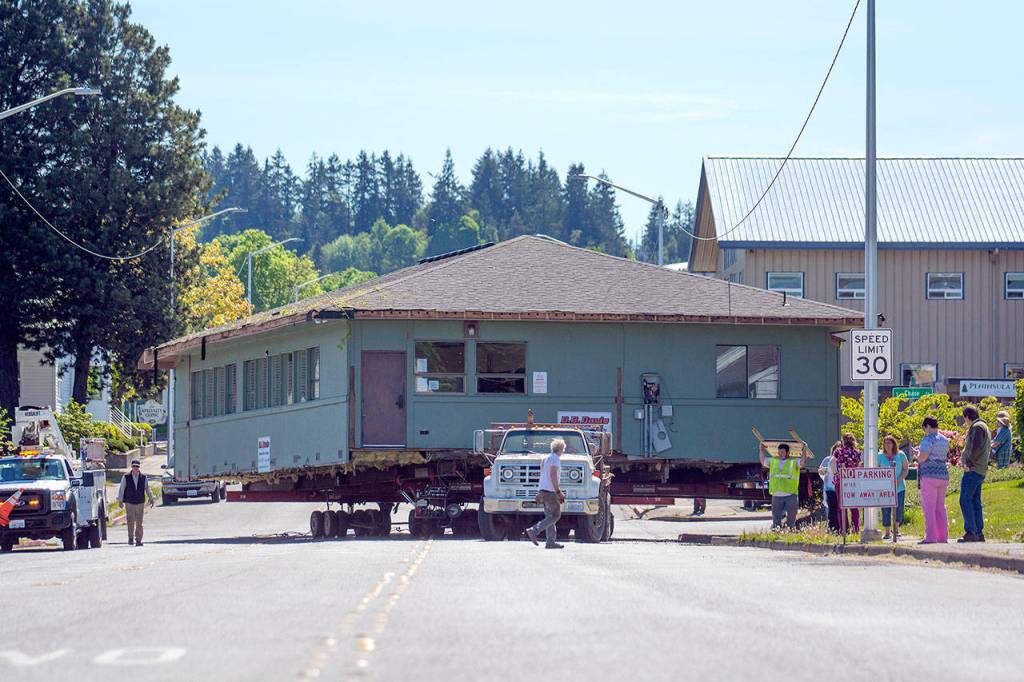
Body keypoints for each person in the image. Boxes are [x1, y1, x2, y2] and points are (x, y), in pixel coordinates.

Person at [759, 439, 813, 530]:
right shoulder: (773, 461)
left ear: (788, 453)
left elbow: (802, 463)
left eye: (782, 452)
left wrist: (804, 449)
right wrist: (761, 450)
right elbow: (763, 461)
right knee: (776, 516)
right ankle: (777, 530)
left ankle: (790, 530)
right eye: (779, 452)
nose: (780, 454)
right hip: (776, 494)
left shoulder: (793, 461)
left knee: (792, 515)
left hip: (790, 494)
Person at [915, 416, 950, 543]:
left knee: (929, 507)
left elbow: (923, 457)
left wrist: (917, 458)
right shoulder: (945, 440)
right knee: (940, 507)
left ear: (928, 426)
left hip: (929, 474)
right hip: (943, 474)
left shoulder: (928, 439)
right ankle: (943, 537)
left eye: (925, 428)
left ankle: (930, 537)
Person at [526, 438, 566, 549]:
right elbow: (553, 475)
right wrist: (558, 491)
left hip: (543, 490)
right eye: (563, 449)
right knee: (555, 515)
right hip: (550, 491)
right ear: (561, 449)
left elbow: (543, 475)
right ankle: (534, 530)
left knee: (549, 516)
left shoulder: (545, 459)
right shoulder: (556, 459)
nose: (563, 451)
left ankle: (550, 541)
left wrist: (539, 491)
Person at [958, 405, 991, 543]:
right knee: (975, 500)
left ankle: (971, 532)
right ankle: (978, 532)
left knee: (965, 499)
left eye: (964, 418)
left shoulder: (977, 427)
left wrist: (968, 463)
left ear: (967, 417)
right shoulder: (984, 426)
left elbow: (975, 447)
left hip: (973, 469)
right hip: (980, 469)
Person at [117, 459, 155, 546]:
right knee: (130, 521)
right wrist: (120, 500)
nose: (135, 468)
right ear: (131, 467)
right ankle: (130, 537)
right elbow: (122, 489)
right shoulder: (126, 477)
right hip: (129, 502)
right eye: (134, 466)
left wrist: (151, 498)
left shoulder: (143, 477)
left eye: (137, 466)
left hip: (140, 502)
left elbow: (147, 488)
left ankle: (138, 540)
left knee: (139, 522)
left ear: (139, 467)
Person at [878, 435, 909, 540]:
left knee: (899, 508)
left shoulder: (900, 454)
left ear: (894, 444)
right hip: (884, 487)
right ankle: (887, 532)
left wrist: (900, 478)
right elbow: (876, 470)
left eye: (889, 442)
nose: (887, 445)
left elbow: (906, 468)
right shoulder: (879, 456)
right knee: (885, 509)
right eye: (885, 443)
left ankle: (896, 530)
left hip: (899, 486)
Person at [832, 432, 863, 533]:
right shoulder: (857, 452)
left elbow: (832, 462)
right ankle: (856, 529)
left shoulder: (838, 451)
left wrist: (836, 473)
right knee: (854, 507)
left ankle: (844, 529)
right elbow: (860, 465)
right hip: (853, 481)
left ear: (843, 441)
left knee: (842, 507)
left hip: (841, 481)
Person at [818, 441, 841, 532]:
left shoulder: (843, 459)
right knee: (831, 509)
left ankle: (840, 527)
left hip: (841, 488)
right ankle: (832, 527)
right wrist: (824, 471)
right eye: (836, 449)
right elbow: (820, 471)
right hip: (830, 488)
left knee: (839, 509)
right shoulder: (827, 459)